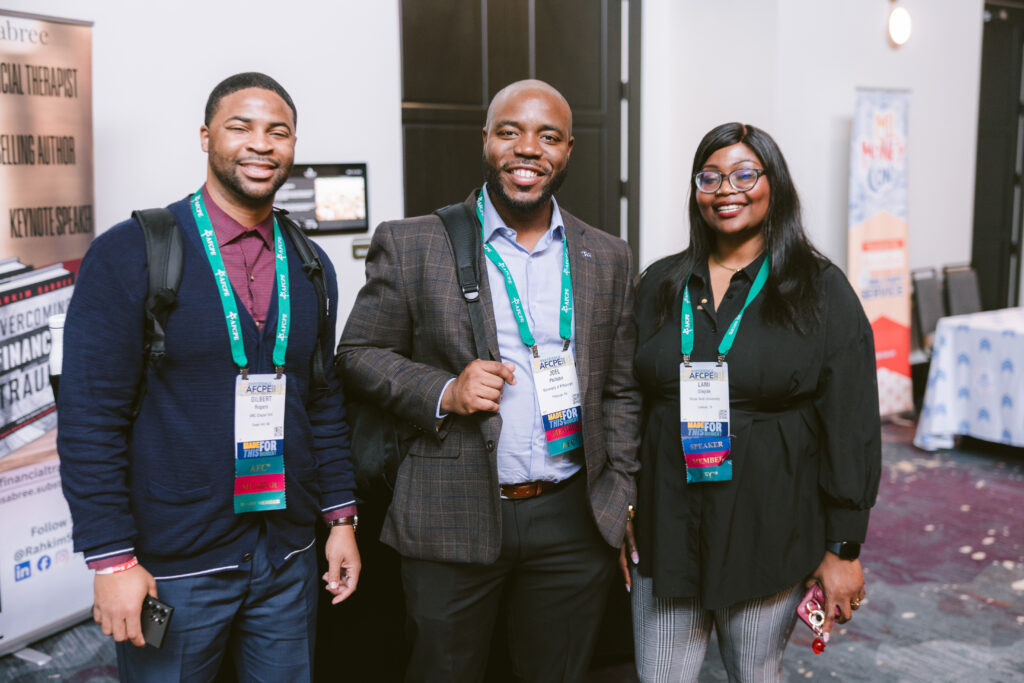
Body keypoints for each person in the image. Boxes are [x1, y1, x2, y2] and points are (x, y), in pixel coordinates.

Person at [57, 72, 360, 681]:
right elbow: (90, 416)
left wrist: (340, 520)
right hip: (174, 564)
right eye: (240, 127)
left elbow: (322, 400)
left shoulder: (310, 262)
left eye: (279, 132)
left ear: (294, 146)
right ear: (205, 137)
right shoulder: (133, 252)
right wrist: (112, 561)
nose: (261, 144)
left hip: (287, 553)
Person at [336, 79, 640, 683]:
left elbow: (622, 388)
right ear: (486, 141)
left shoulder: (607, 255)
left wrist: (620, 490)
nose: (529, 148)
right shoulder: (414, 242)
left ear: (569, 149)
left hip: (571, 517)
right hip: (451, 511)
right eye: (510, 132)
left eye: (547, 136)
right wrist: (444, 391)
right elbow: (357, 354)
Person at [624, 122, 881, 682]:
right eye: (710, 177)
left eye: (744, 174)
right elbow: (623, 398)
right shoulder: (660, 284)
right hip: (668, 527)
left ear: (774, 184)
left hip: (770, 526)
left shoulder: (819, 289)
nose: (726, 190)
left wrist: (844, 547)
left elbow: (851, 421)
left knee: (756, 675)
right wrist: (620, 501)